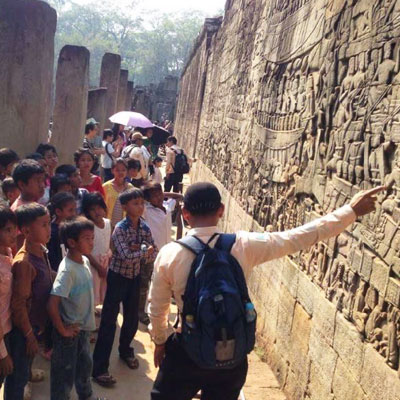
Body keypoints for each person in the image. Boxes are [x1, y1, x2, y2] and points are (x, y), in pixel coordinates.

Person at [148, 182, 385, 400]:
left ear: (185, 214)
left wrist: (160, 341)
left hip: (187, 351)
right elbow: (299, 237)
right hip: (231, 353)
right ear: (221, 210)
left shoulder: (170, 254)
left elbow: (157, 308)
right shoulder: (244, 245)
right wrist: (350, 211)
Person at [92, 188, 158, 387]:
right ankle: (100, 367)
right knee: (109, 322)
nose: (140, 206)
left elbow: (153, 251)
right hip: (117, 277)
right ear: (125, 207)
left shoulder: (144, 227)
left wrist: (140, 249)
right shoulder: (120, 228)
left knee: (131, 319)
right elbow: (125, 256)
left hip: (134, 278)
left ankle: (125, 350)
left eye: (141, 203)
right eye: (135, 203)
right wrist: (143, 250)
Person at [47, 217, 103, 400]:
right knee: (64, 374)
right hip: (69, 334)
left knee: (84, 367)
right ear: (72, 242)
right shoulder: (67, 271)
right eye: (87, 238)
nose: (92, 242)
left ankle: (86, 396)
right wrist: (62, 330)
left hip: (83, 330)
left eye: (92, 238)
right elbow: (52, 304)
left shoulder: (84, 261)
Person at [8, 204, 52, 400]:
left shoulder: (41, 249)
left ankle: (27, 373)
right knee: (17, 375)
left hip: (37, 324)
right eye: (43, 225)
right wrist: (29, 335)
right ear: (26, 231)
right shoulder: (24, 264)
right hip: (25, 329)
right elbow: (18, 306)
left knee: (27, 360)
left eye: (49, 223)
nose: (49, 229)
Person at [140, 182, 180, 326]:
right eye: (154, 196)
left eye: (159, 193)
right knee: (146, 281)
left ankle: (161, 302)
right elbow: (139, 196)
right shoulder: (146, 210)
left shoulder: (168, 206)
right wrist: (147, 195)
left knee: (164, 278)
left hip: (167, 250)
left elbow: (180, 197)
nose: (158, 197)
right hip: (153, 251)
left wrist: (165, 194)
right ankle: (142, 311)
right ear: (148, 199)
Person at [81, 193, 111, 309]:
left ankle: (96, 309)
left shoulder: (107, 223)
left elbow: (109, 243)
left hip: (105, 262)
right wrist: (98, 266)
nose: (97, 212)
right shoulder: (88, 227)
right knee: (92, 289)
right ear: (87, 212)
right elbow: (85, 251)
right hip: (92, 264)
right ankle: (90, 314)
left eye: (99, 208)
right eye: (92, 209)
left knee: (103, 287)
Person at [0, 207, 17, 394]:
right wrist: (3, 354)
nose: (14, 234)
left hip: (8, 329)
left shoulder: (8, 253)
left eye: (15, 228)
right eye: (7, 230)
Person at [47, 192, 77, 272]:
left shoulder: (73, 227)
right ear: (58, 212)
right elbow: (52, 261)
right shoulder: (52, 233)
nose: (74, 213)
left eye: (75, 210)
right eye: (70, 210)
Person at [102, 158, 133, 228]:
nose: (120, 172)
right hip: (109, 225)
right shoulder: (105, 187)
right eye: (117, 170)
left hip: (125, 226)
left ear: (127, 171)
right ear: (112, 170)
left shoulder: (130, 188)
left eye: (123, 170)